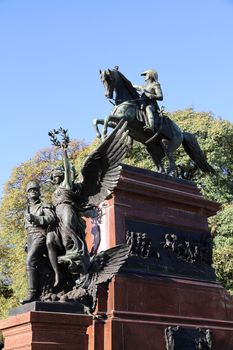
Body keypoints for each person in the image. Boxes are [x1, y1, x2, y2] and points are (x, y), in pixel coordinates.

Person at [22, 180, 56, 304]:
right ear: (27, 194)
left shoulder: (44, 205)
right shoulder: (26, 209)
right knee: (35, 265)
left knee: (30, 261)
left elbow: (51, 218)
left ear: (39, 192)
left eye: (35, 190)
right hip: (30, 237)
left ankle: (32, 293)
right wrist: (26, 242)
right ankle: (40, 292)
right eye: (30, 190)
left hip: (41, 235)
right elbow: (27, 228)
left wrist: (36, 218)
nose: (33, 192)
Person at [133, 69, 163, 134]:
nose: (144, 76)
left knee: (148, 109)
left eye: (145, 75)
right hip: (142, 104)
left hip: (151, 105)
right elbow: (133, 85)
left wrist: (150, 95)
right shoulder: (144, 86)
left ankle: (151, 127)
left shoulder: (155, 84)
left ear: (150, 75)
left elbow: (160, 96)